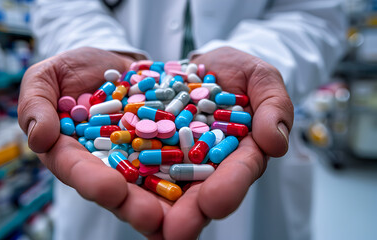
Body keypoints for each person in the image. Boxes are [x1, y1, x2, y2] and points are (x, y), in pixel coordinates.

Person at [17, 0, 346, 239]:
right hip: (111, 192)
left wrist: (259, 57)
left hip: (253, 182)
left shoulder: (197, 118)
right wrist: (95, 46)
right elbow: (63, 7)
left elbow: (316, 16)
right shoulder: (123, 115)